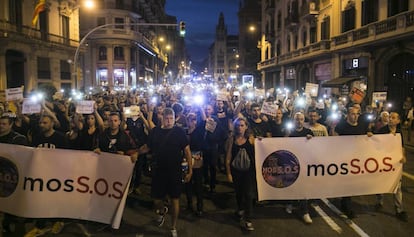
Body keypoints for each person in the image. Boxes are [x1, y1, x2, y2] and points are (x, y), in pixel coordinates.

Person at [147, 108, 192, 237]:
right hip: (159, 171)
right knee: (156, 199)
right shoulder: (155, 132)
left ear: (174, 118)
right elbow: (148, 146)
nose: (169, 121)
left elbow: (187, 151)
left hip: (175, 171)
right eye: (167, 118)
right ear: (162, 118)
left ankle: (173, 226)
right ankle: (161, 211)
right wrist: (136, 153)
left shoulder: (179, 132)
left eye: (171, 118)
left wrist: (190, 170)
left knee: (175, 200)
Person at [25, 114, 70, 237]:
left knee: (56, 199)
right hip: (41, 174)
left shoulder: (60, 138)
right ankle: (40, 225)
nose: (41, 125)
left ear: (52, 124)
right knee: (41, 199)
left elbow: (68, 157)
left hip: (57, 174)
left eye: (45, 123)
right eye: (40, 123)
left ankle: (58, 220)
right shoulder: (37, 137)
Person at [334, 106, 369, 219]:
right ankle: (346, 205)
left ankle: (346, 201)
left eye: (357, 114)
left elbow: (365, 139)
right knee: (346, 180)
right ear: (348, 115)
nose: (355, 116)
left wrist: (369, 136)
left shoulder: (362, 126)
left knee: (352, 181)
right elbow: (334, 139)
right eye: (353, 114)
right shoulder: (341, 126)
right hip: (344, 158)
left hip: (357, 159)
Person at [373, 112, 408, 222]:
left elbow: (402, 147)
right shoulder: (382, 131)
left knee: (397, 187)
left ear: (398, 121)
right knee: (381, 184)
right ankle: (379, 201)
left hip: (395, 164)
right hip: (383, 163)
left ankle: (399, 210)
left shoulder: (399, 132)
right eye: (390, 117)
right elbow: (374, 144)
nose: (390, 119)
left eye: (393, 118)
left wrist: (403, 156)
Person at [0, 113, 28, 234]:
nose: (0, 126)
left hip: (11, 176)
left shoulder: (18, 139)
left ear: (11, 125)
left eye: (4, 124)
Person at [226, 117, 255, 231]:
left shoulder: (251, 139)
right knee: (239, 193)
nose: (240, 127)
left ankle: (248, 220)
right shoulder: (231, 139)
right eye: (238, 125)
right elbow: (228, 157)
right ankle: (240, 209)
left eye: (242, 125)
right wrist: (228, 173)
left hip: (248, 172)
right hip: (236, 171)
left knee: (248, 194)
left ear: (246, 127)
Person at [286, 112, 314, 224]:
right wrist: (286, 136)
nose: (299, 121)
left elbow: (315, 147)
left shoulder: (308, 132)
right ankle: (290, 203)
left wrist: (311, 139)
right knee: (290, 183)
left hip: (304, 163)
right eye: (297, 119)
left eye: (301, 119)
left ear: (304, 120)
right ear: (294, 120)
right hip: (291, 163)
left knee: (303, 187)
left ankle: (305, 212)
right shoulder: (289, 132)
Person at [185, 112, 205, 216]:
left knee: (198, 184)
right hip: (186, 160)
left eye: (194, 119)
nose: (193, 122)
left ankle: (200, 206)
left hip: (197, 160)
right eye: (190, 119)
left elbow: (205, 121)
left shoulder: (199, 131)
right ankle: (189, 203)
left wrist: (201, 109)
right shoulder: (184, 132)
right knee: (188, 183)